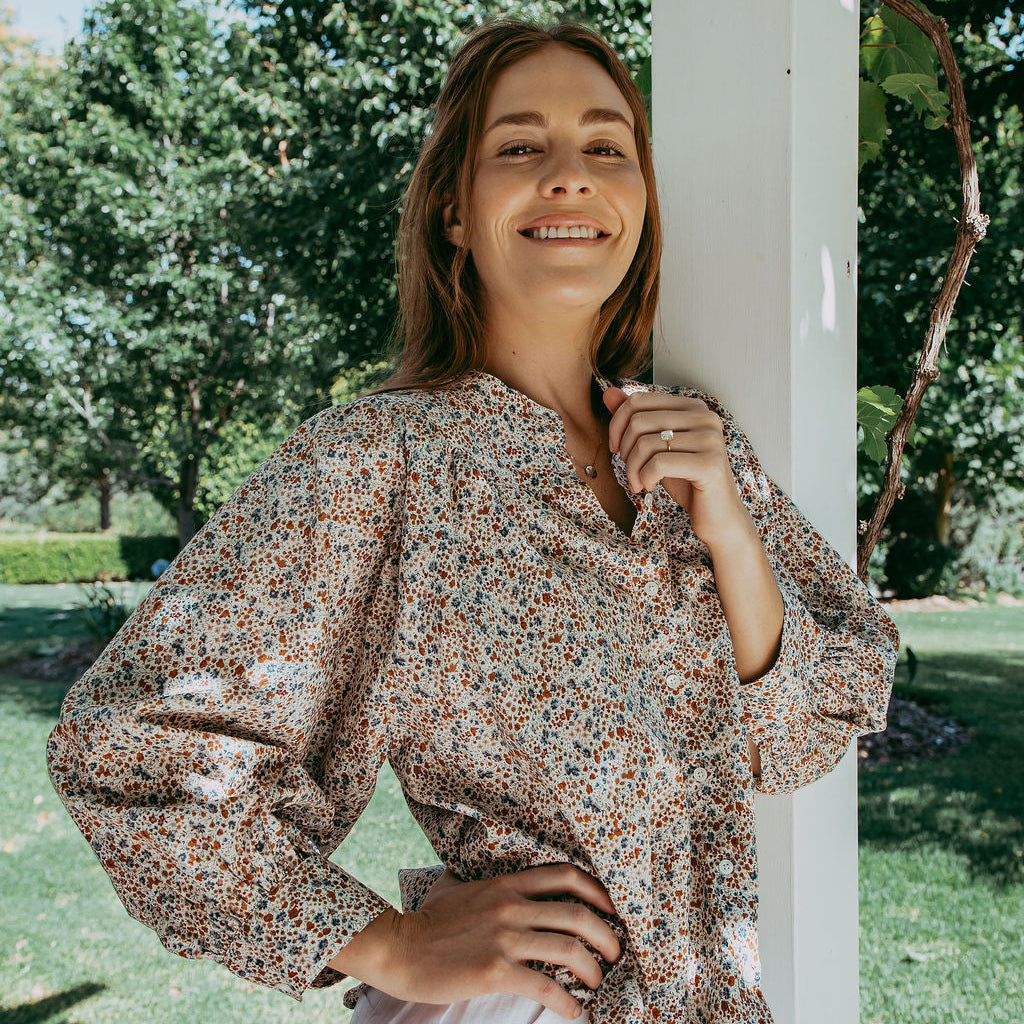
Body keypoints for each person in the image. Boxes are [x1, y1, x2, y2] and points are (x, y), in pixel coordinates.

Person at [46, 15, 900, 1024]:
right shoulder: (379, 459)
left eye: (604, 146)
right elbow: (126, 755)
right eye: (520, 146)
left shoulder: (693, 444)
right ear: (454, 209)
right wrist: (388, 942)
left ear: (639, 198)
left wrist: (729, 530)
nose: (570, 174)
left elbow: (802, 737)